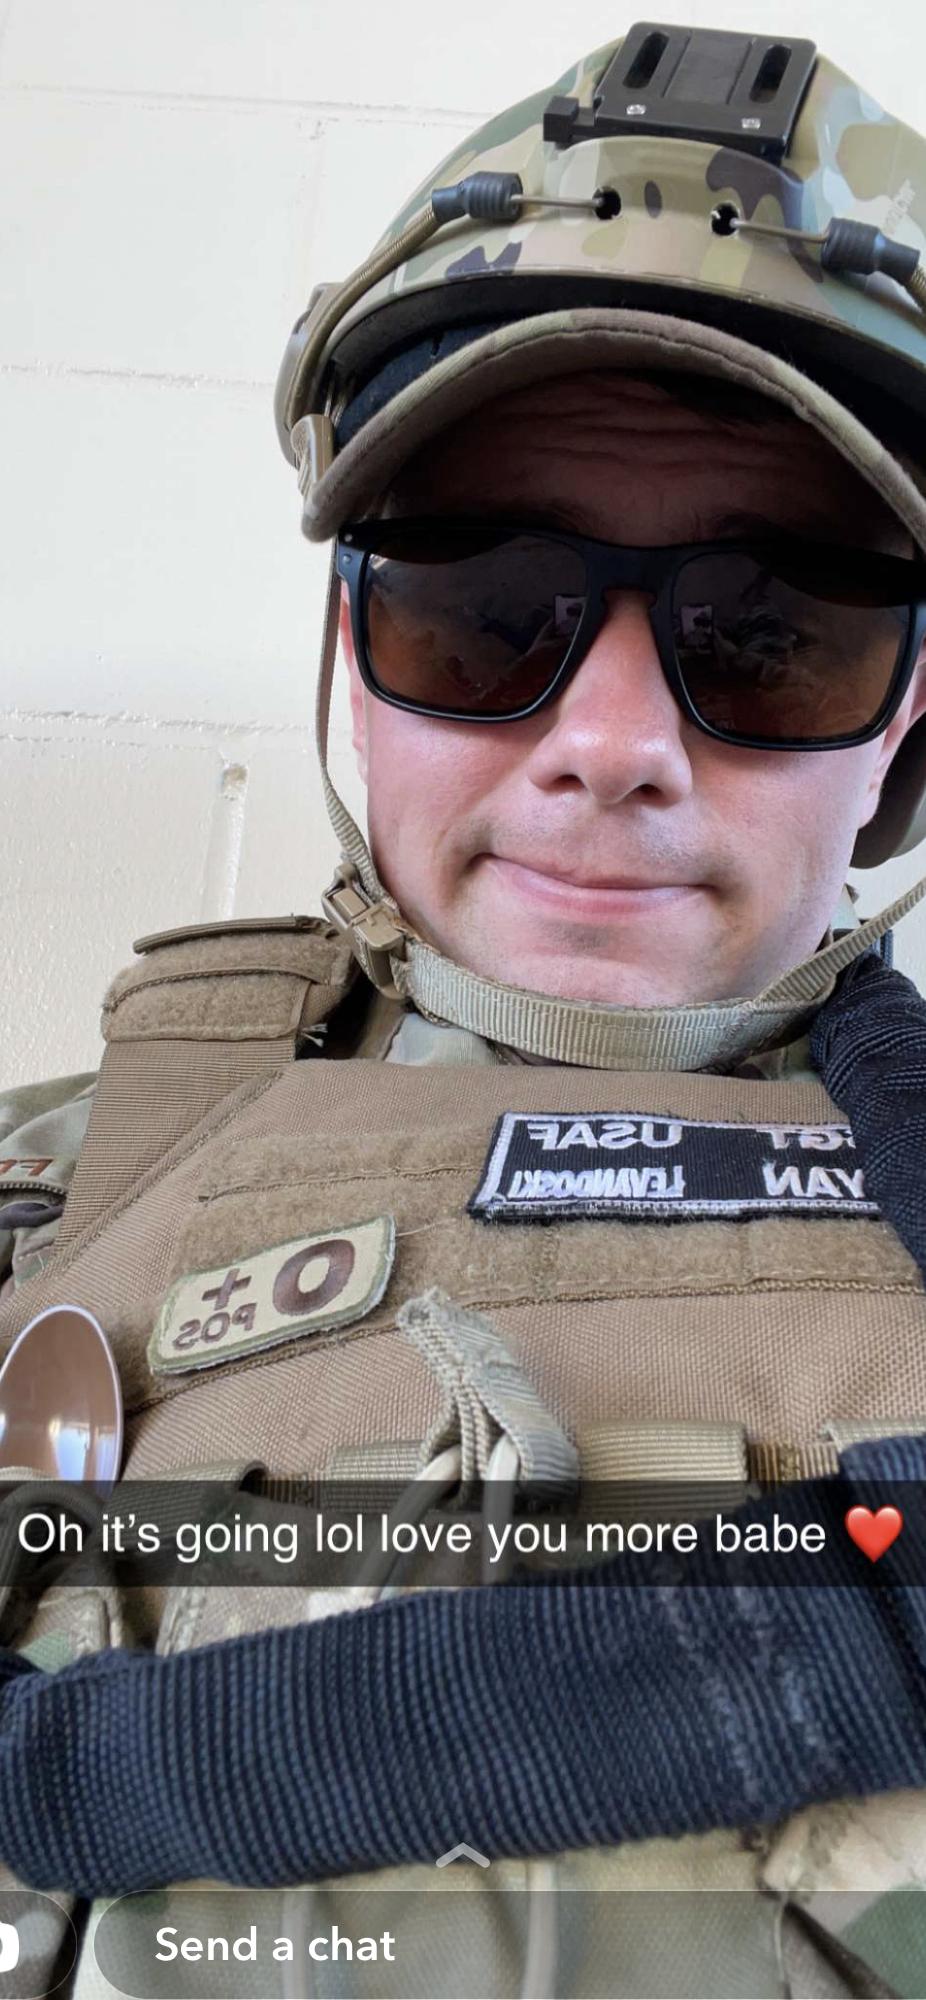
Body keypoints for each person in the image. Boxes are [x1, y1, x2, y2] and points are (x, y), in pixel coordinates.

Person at [2, 20, 926, 1998]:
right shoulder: (43, 1196)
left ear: (907, 716)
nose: (612, 743)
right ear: (353, 642)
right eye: (484, 601)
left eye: (773, 632)